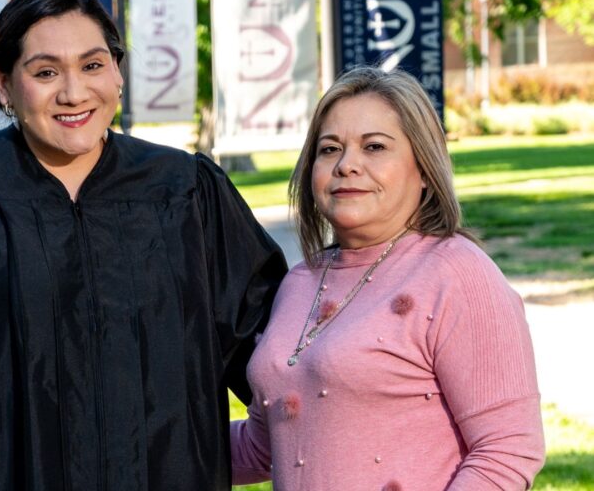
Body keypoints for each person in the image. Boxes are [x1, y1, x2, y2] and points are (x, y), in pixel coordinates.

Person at [0, 0, 287, 491]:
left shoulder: (185, 190)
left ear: (118, 72)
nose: (74, 92)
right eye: (44, 72)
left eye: (93, 65)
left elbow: (275, 348)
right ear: (3, 84)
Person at [230, 66, 544, 489]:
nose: (347, 165)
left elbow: (508, 448)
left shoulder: (456, 273)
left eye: (374, 147)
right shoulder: (298, 283)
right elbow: (263, 446)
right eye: (329, 149)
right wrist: (135, 440)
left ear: (424, 170)